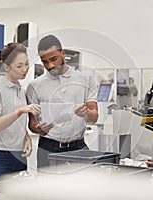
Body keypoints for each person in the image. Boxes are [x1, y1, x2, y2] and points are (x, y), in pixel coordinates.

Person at [26, 35, 99, 168]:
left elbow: (94, 117)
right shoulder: (34, 86)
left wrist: (86, 113)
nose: (50, 65)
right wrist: (39, 129)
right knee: (46, 188)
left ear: (63, 54)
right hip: (47, 148)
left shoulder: (85, 80)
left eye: (54, 59)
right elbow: (32, 124)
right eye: (45, 62)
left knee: (83, 187)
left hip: (78, 147)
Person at [0, 43, 40, 183]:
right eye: (19, 66)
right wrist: (20, 111)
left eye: (26, 64)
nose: (25, 69)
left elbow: (18, 123)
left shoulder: (22, 90)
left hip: (19, 156)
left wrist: (27, 137)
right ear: (7, 67)